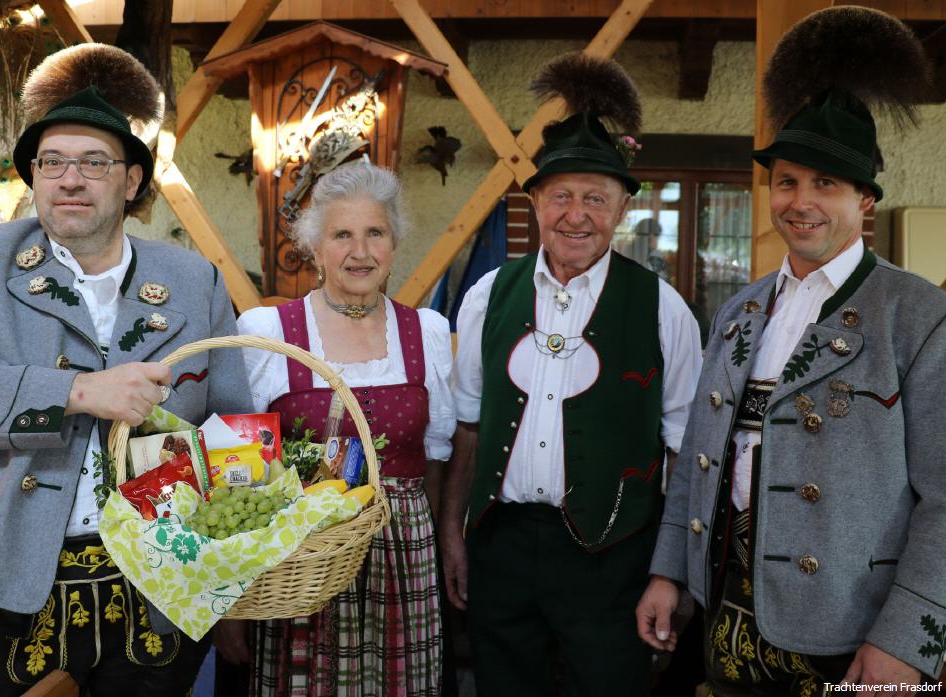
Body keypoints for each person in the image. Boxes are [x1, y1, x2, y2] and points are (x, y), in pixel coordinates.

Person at [0, 44, 252, 696]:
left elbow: (230, 427)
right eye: (53, 162)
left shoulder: (194, 279)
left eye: (94, 163)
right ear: (33, 177)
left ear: (130, 182)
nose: (71, 179)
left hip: (159, 585)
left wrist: (233, 577)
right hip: (14, 583)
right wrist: (77, 390)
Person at [637, 8, 946, 695]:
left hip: (859, 629)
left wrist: (908, 638)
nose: (800, 202)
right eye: (786, 181)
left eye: (825, 184)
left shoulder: (919, 313)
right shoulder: (741, 310)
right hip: (728, 612)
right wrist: (669, 572)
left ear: (865, 200)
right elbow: (696, 459)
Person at [440, 54, 702, 697]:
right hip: (501, 547)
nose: (576, 215)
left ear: (620, 211)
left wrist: (670, 571)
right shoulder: (485, 296)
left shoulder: (662, 307)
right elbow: (467, 427)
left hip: (613, 555)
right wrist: (454, 533)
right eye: (561, 196)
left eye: (595, 198)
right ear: (534, 202)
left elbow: (684, 451)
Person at [218, 160, 456, 696]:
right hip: (302, 560)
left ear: (394, 243)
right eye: (341, 234)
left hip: (404, 554)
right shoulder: (268, 332)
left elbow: (435, 461)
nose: (360, 251)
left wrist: (436, 560)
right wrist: (230, 602)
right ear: (315, 247)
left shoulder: (429, 332)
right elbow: (234, 474)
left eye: (375, 233)